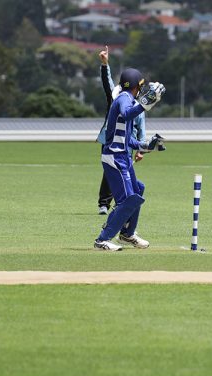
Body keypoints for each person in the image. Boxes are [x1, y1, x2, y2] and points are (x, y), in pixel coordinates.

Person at [93, 67, 165, 251]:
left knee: (138, 189)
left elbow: (127, 138)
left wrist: (146, 145)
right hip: (115, 158)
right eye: (141, 86)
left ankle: (127, 234)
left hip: (122, 156)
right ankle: (102, 239)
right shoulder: (125, 99)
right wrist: (144, 104)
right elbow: (126, 114)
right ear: (136, 86)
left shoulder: (126, 98)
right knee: (128, 200)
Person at [96, 47, 146, 215]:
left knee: (128, 179)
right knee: (111, 172)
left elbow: (141, 127)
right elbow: (107, 82)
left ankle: (122, 206)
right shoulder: (117, 97)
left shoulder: (137, 105)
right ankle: (104, 204)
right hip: (111, 142)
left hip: (128, 144)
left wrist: (142, 149)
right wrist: (105, 64)